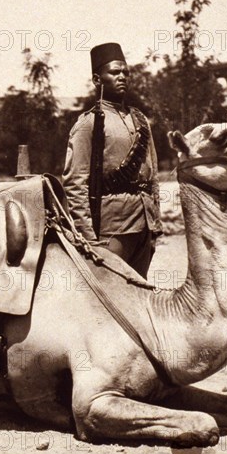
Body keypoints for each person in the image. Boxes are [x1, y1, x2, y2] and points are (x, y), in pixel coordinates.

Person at [62, 42, 162, 278]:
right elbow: (75, 183)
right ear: (98, 79)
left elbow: (153, 174)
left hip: (143, 224)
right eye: (114, 72)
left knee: (140, 293)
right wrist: (88, 237)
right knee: (109, 297)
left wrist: (155, 225)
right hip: (111, 228)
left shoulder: (140, 120)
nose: (122, 77)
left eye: (126, 72)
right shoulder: (89, 124)